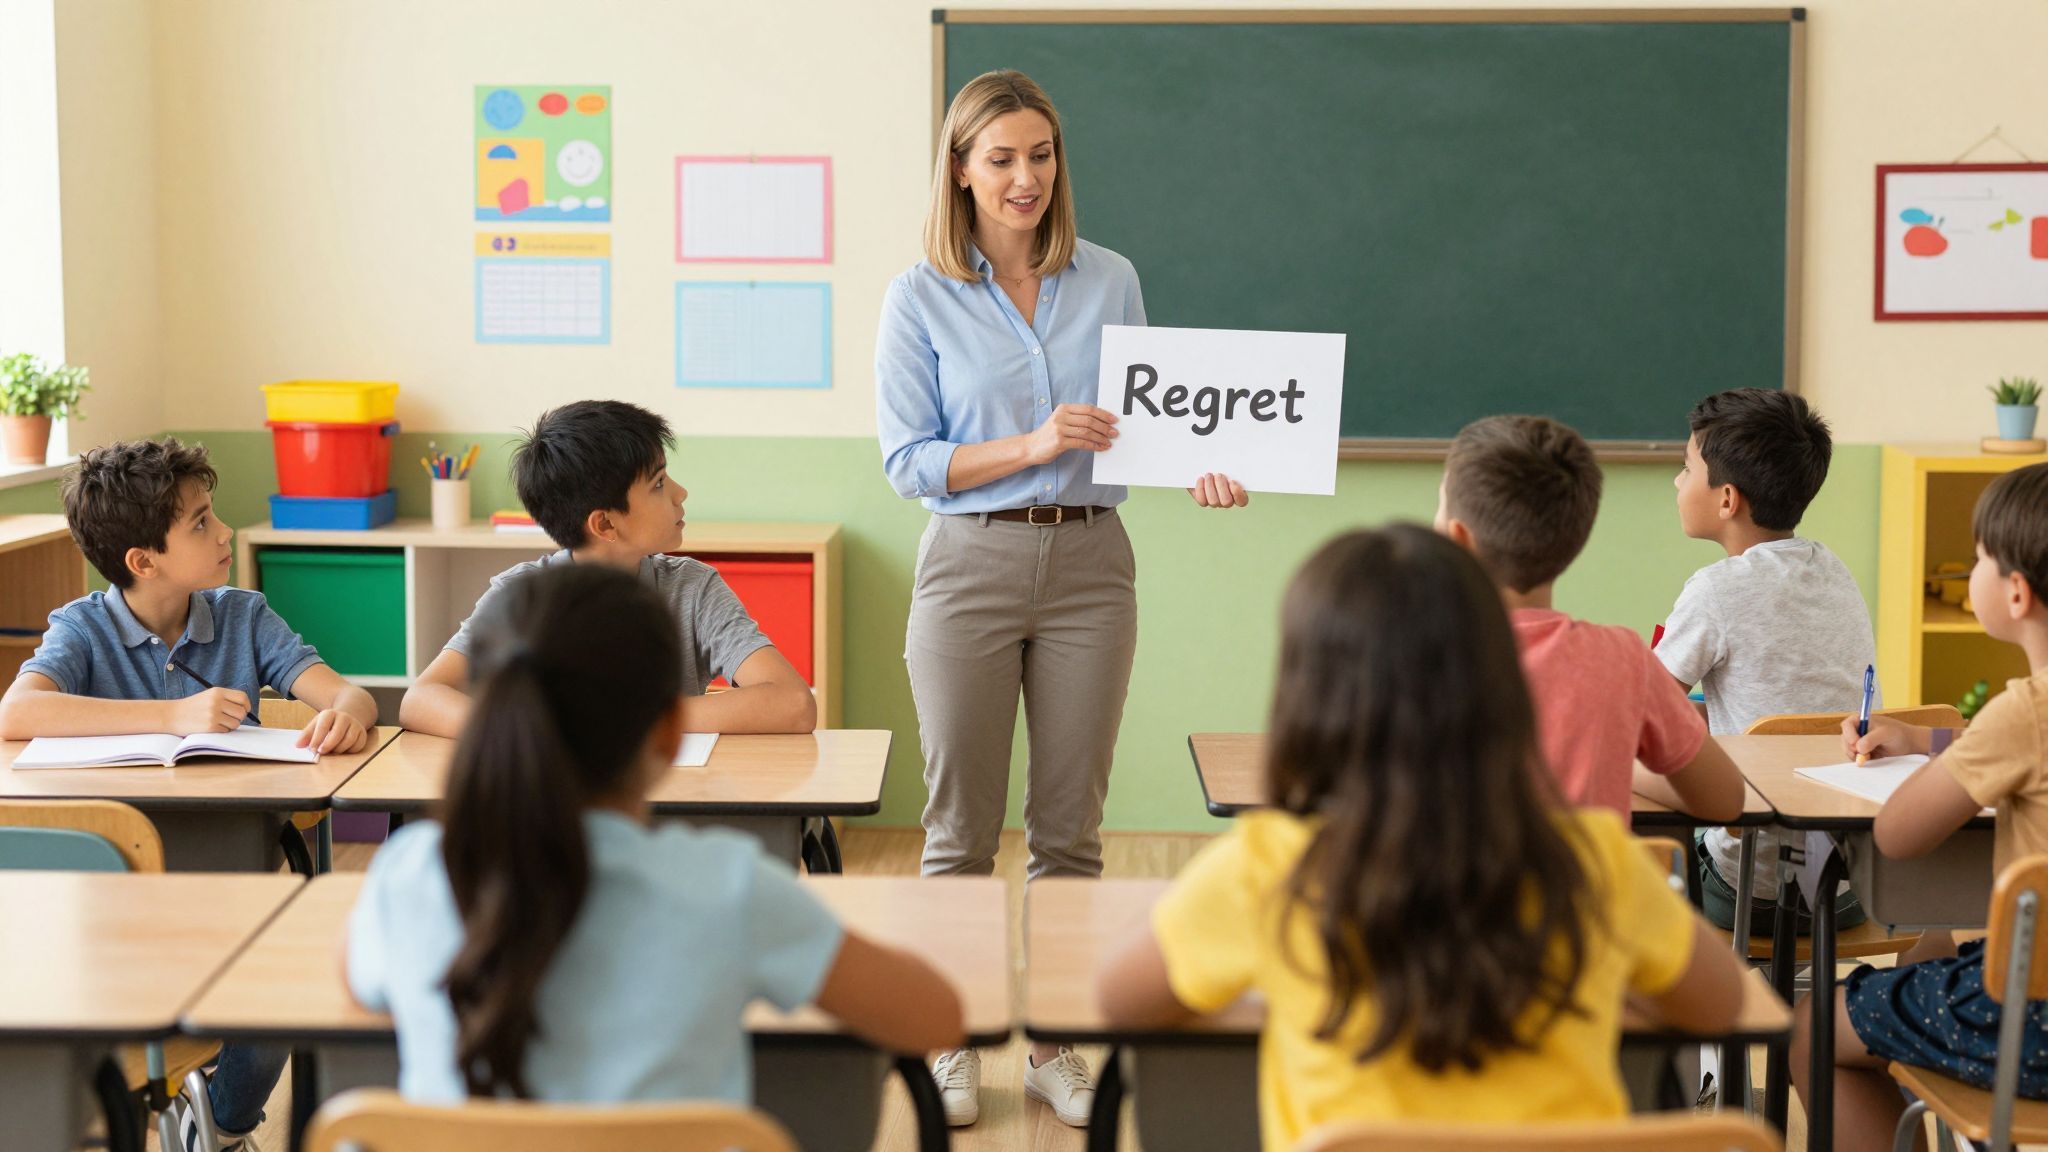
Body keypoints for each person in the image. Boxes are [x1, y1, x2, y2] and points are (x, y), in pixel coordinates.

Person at [1096, 525, 1745, 1150]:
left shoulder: (1268, 869)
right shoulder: (1595, 862)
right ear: (1499, 689)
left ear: (1308, 698)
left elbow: (1117, 999)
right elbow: (1723, 1005)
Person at [874, 68, 1247, 1126]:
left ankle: (1054, 1046)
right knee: (957, 826)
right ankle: (950, 1044)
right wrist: (1030, 444)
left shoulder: (1110, 277)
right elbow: (908, 461)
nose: (1025, 177)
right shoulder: (918, 294)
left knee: (1069, 829)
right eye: (1001, 158)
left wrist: (1203, 465)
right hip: (967, 565)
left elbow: (1150, 418)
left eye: (1040, 155)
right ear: (959, 168)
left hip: (1091, 566)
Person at [349, 564, 963, 1102]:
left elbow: (360, 978)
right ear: (669, 735)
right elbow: (938, 1016)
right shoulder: (729, 888)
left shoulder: (408, 873)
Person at [0, 437, 379, 1150]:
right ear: (143, 562)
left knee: (277, 1011)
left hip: (232, 891)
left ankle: (225, 1133)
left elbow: (347, 693)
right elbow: (16, 714)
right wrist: (169, 716)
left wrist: (345, 717)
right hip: (111, 916)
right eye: (201, 522)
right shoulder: (82, 627)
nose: (224, 530)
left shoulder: (243, 615)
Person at [1794, 462, 2048, 1150]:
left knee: (1815, 1024)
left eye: (1978, 559)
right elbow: (2002, 754)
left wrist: (1931, 763)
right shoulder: (2009, 729)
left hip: (2033, 1026)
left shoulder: (2024, 711)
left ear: (2017, 593)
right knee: (1934, 951)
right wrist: (1928, 740)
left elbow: (1899, 834)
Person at [400, 400, 814, 738]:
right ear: (605, 524)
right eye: (657, 484)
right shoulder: (520, 595)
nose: (680, 493)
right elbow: (421, 699)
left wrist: (631, 724)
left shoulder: (693, 588)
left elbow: (793, 704)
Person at [1436, 414, 1742, 820]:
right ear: (1575, 540)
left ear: (1458, 539)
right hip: (1583, 884)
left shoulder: (1402, 656)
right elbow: (1724, 801)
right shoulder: (1622, 658)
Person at [1658, 388, 1873, 932]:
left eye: (1686, 469)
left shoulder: (1715, 589)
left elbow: (1647, 711)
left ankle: (1692, 982)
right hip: (1850, 888)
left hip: (1750, 892)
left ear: (1727, 499)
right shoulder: (1834, 571)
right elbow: (1785, 702)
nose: (1678, 482)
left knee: (1635, 778)